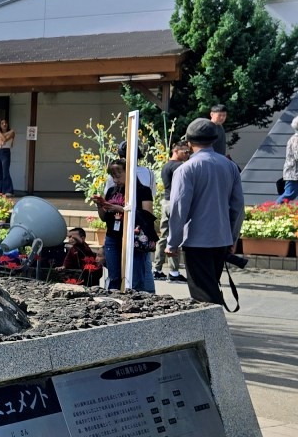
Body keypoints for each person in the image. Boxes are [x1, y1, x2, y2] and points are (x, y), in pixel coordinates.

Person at [166, 118, 245, 307]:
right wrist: (232, 238)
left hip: (196, 240)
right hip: (221, 238)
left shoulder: (186, 169)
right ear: (214, 139)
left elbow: (178, 208)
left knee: (203, 295)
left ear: (189, 142)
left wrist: (173, 242)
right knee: (210, 288)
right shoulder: (230, 166)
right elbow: (238, 207)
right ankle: (214, 332)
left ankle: (216, 333)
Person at [92, 158, 155, 291]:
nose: (115, 180)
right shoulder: (111, 191)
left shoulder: (143, 191)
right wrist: (100, 206)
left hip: (134, 239)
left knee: (136, 278)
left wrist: (120, 209)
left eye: (118, 176)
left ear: (129, 173)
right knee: (114, 277)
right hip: (112, 237)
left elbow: (147, 216)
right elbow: (104, 218)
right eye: (113, 176)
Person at [154, 141, 191, 282]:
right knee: (175, 236)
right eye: (185, 152)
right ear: (176, 151)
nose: (188, 155)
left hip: (166, 202)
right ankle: (174, 273)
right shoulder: (179, 167)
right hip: (175, 203)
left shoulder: (166, 166)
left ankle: (157, 270)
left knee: (164, 237)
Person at [0, 119, 15, 195]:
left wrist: (2, 135)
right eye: (2, 123)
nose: (4, 124)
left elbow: (4, 140)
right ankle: (0, 190)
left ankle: (9, 190)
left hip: (5, 152)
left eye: (5, 123)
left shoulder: (12, 132)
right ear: (0, 125)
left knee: (5, 172)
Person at [280, 127, 298, 203]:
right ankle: (274, 211)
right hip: (294, 173)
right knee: (289, 194)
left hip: (293, 173)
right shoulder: (296, 139)